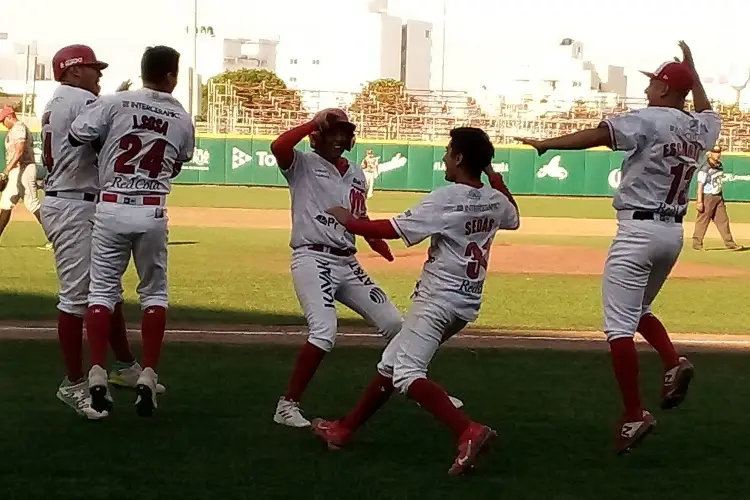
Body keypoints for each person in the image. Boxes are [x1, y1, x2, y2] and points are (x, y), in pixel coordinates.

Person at [517, 41, 719, 454]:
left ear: (665, 88)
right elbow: (706, 108)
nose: (648, 89)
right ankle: (672, 362)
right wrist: (693, 73)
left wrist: (547, 144)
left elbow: (598, 135)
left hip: (638, 232)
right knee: (637, 310)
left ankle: (633, 414)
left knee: (618, 327)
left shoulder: (648, 118)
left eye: (654, 82)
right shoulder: (701, 128)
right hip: (672, 235)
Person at [311, 127, 520, 476]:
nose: (444, 157)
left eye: (449, 151)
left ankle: (468, 431)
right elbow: (513, 216)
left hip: (437, 299)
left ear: (459, 158)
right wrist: (494, 177)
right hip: (465, 304)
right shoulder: (495, 200)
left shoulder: (446, 197)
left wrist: (350, 221)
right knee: (391, 364)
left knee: (407, 373)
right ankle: (343, 430)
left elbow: (393, 229)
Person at [269, 109, 463, 428]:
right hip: (311, 256)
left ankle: (421, 386)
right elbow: (279, 148)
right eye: (332, 132)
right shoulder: (303, 164)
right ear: (317, 135)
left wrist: (374, 239)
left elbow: (359, 215)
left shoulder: (356, 173)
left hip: (346, 260)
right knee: (324, 331)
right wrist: (310, 123)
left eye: (343, 132)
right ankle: (286, 405)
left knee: (395, 324)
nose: (339, 138)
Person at [69, 45, 195, 417]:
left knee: (102, 291)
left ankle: (95, 371)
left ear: (142, 72)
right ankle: (148, 375)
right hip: (151, 208)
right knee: (154, 293)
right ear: (172, 76)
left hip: (110, 206)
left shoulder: (115, 102)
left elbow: (78, 135)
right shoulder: (181, 115)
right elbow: (178, 162)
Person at [41, 44, 164, 419]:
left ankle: (125, 364)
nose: (99, 74)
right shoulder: (80, 100)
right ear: (74, 70)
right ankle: (74, 383)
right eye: (93, 68)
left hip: (77, 198)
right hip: (74, 202)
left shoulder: (62, 99)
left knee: (104, 288)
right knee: (76, 298)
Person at [0, 106, 50, 248]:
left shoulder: (18, 128)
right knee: (5, 203)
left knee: (32, 204)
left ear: (10, 116)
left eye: (4, 120)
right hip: (17, 170)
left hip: (25, 168)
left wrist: (6, 171)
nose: (3, 124)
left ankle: (54, 237)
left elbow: (20, 150)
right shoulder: (13, 130)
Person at [692, 145, 741, 250]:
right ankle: (697, 243)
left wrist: (721, 198)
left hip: (718, 197)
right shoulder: (705, 168)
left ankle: (730, 244)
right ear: (709, 154)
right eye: (715, 152)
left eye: (719, 152)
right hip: (707, 197)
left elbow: (718, 183)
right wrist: (699, 201)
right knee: (703, 220)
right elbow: (700, 186)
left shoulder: (719, 165)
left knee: (723, 220)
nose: (717, 154)